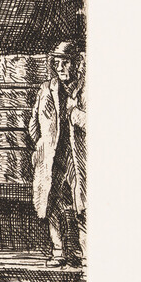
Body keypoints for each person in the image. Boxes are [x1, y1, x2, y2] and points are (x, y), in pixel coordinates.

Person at [27, 39, 87, 267]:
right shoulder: (46, 88)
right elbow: (34, 122)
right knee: (52, 203)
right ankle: (58, 250)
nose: (60, 67)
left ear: (76, 63)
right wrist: (41, 145)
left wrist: (76, 114)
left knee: (78, 204)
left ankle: (81, 253)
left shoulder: (86, 88)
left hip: (76, 156)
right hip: (52, 155)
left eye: (65, 62)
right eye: (57, 63)